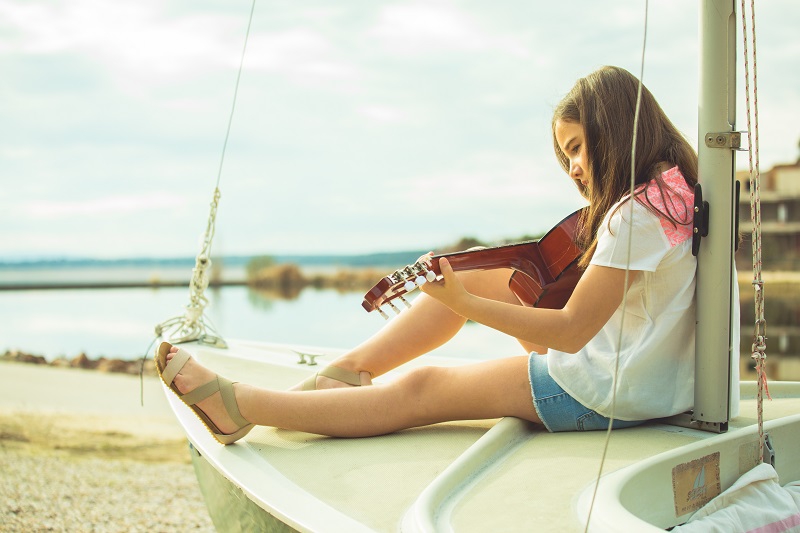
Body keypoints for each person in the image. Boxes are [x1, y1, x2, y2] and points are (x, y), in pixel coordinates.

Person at [155, 65, 699, 445]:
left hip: (609, 394)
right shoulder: (675, 190)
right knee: (497, 279)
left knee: (425, 387)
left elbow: (574, 331)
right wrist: (469, 293)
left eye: (577, 147)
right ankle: (343, 377)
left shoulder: (635, 214)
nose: (574, 168)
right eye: (567, 155)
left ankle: (242, 407)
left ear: (615, 128)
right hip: (647, 381)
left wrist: (462, 301)